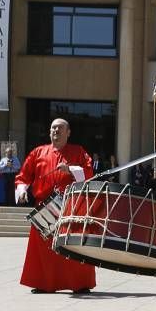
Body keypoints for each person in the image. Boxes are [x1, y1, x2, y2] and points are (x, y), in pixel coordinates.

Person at [15, 119, 96, 294]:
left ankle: (80, 283)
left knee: (73, 245)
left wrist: (71, 170)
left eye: (60, 128)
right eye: (53, 128)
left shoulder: (78, 151)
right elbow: (24, 175)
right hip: (44, 206)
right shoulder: (38, 152)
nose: (56, 131)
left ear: (68, 132)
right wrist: (22, 190)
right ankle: (44, 283)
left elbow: (89, 172)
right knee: (44, 249)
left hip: (71, 206)